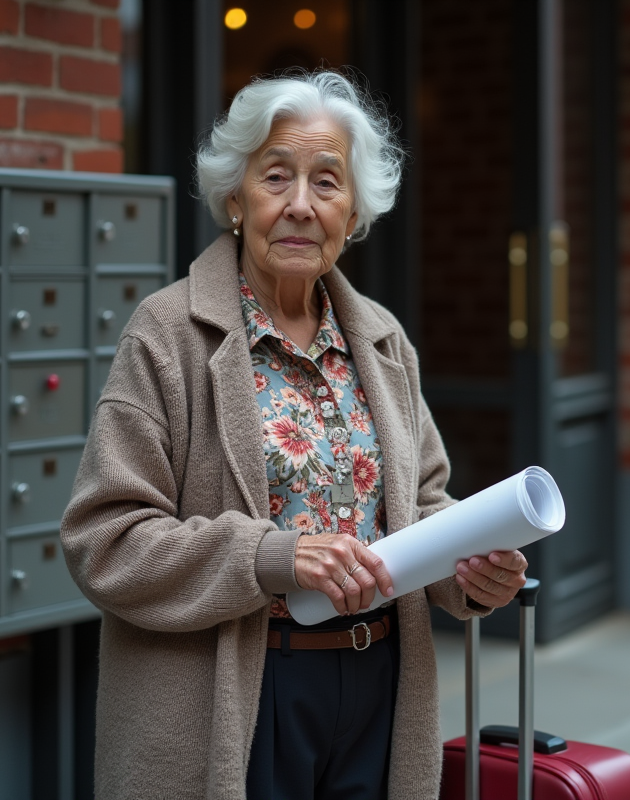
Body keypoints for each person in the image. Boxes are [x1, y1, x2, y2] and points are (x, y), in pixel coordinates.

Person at [60, 70, 529, 800]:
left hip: (380, 686)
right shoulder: (168, 333)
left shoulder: (382, 340)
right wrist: (273, 556)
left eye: (327, 182)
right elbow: (106, 540)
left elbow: (425, 505)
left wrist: (467, 569)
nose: (301, 205)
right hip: (236, 692)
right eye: (276, 176)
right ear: (236, 198)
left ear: (354, 213)